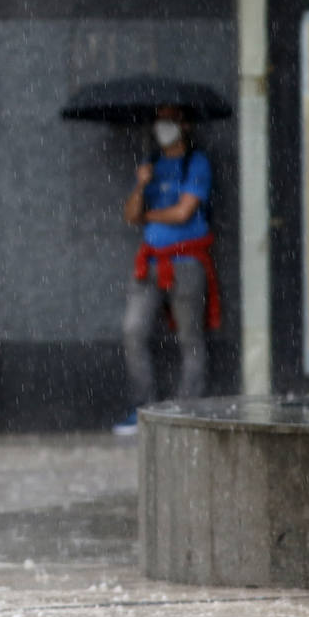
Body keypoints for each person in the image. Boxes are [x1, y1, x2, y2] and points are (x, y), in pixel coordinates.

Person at [115, 104, 221, 436]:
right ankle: (143, 408)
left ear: (185, 124)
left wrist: (149, 217)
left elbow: (183, 213)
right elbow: (131, 215)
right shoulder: (151, 165)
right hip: (148, 265)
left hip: (186, 263)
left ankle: (188, 411)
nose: (163, 126)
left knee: (190, 337)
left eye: (170, 119)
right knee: (133, 330)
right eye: (159, 118)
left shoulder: (197, 163)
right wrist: (140, 186)